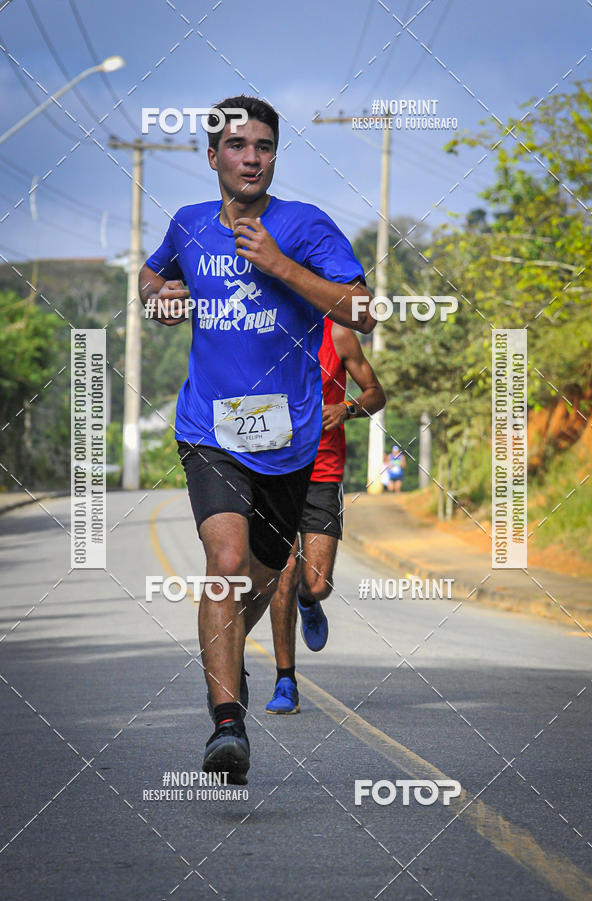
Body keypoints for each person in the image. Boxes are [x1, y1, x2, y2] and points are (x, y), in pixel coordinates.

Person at [139, 95, 375, 785]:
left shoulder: (305, 226)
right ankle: (227, 724)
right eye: (237, 145)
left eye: (264, 146)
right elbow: (154, 275)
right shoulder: (188, 224)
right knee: (226, 558)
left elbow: (363, 307)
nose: (251, 157)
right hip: (209, 429)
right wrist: (159, 298)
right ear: (212, 156)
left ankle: (227, 649)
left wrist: (280, 266)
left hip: (292, 439)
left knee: (265, 571)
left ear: (275, 155)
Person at [265, 319, 385, 713]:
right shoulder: (263, 326)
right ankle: (286, 681)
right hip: (274, 469)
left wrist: (346, 408)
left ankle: (308, 599)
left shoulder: (337, 334)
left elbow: (375, 394)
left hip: (322, 471)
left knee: (315, 583)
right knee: (282, 571)